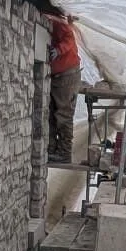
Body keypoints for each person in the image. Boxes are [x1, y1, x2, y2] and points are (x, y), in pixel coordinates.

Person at [45, 10, 81, 163]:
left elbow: (69, 40)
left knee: (63, 115)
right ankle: (51, 149)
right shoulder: (52, 19)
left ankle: (64, 154)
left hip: (67, 75)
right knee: (52, 114)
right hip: (59, 75)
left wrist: (58, 50)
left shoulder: (58, 22)